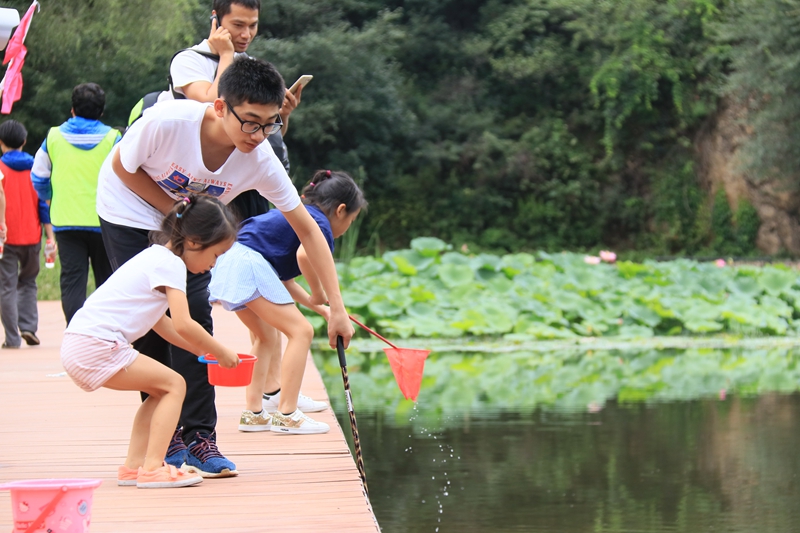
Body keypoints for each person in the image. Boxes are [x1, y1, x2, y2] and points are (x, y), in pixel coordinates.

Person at [96, 57, 354, 478]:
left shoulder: (261, 157)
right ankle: (167, 433)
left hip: (190, 221)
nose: (259, 134)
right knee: (152, 316)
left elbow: (308, 230)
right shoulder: (167, 122)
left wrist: (337, 308)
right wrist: (177, 212)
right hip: (129, 208)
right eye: (250, 122)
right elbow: (123, 168)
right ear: (220, 107)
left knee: (195, 315)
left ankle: (200, 437)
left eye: (270, 123)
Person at [62, 195, 239, 488]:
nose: (213, 265)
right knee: (175, 384)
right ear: (194, 242)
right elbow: (184, 321)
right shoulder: (171, 265)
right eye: (216, 255)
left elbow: (161, 323)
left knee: (160, 391)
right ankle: (154, 467)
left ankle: (133, 467)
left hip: (80, 344)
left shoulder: (154, 257)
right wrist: (220, 350)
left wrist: (197, 349)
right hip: (97, 344)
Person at [210, 170, 366, 433]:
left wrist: (321, 308)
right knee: (301, 331)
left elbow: (282, 283)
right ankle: (287, 414)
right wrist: (317, 291)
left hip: (229, 263)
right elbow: (305, 257)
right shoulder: (318, 225)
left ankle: (254, 413)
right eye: (352, 219)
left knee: (266, 337)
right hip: (248, 266)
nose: (347, 226)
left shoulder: (294, 215)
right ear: (340, 211)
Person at [31, 83, 119, 324]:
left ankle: (75, 334)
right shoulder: (114, 139)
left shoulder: (53, 137)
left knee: (72, 281)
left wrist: (50, 196)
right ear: (101, 112)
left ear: (72, 109)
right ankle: (106, 333)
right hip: (106, 221)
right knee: (107, 281)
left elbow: (38, 176)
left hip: (66, 220)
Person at [0, 120, 55, 348]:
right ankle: (29, 327)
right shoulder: (36, 167)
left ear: (1, 143)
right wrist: (50, 235)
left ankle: (12, 338)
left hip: (6, 237)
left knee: (6, 286)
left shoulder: (1, 169)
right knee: (29, 282)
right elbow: (43, 204)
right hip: (33, 236)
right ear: (24, 141)